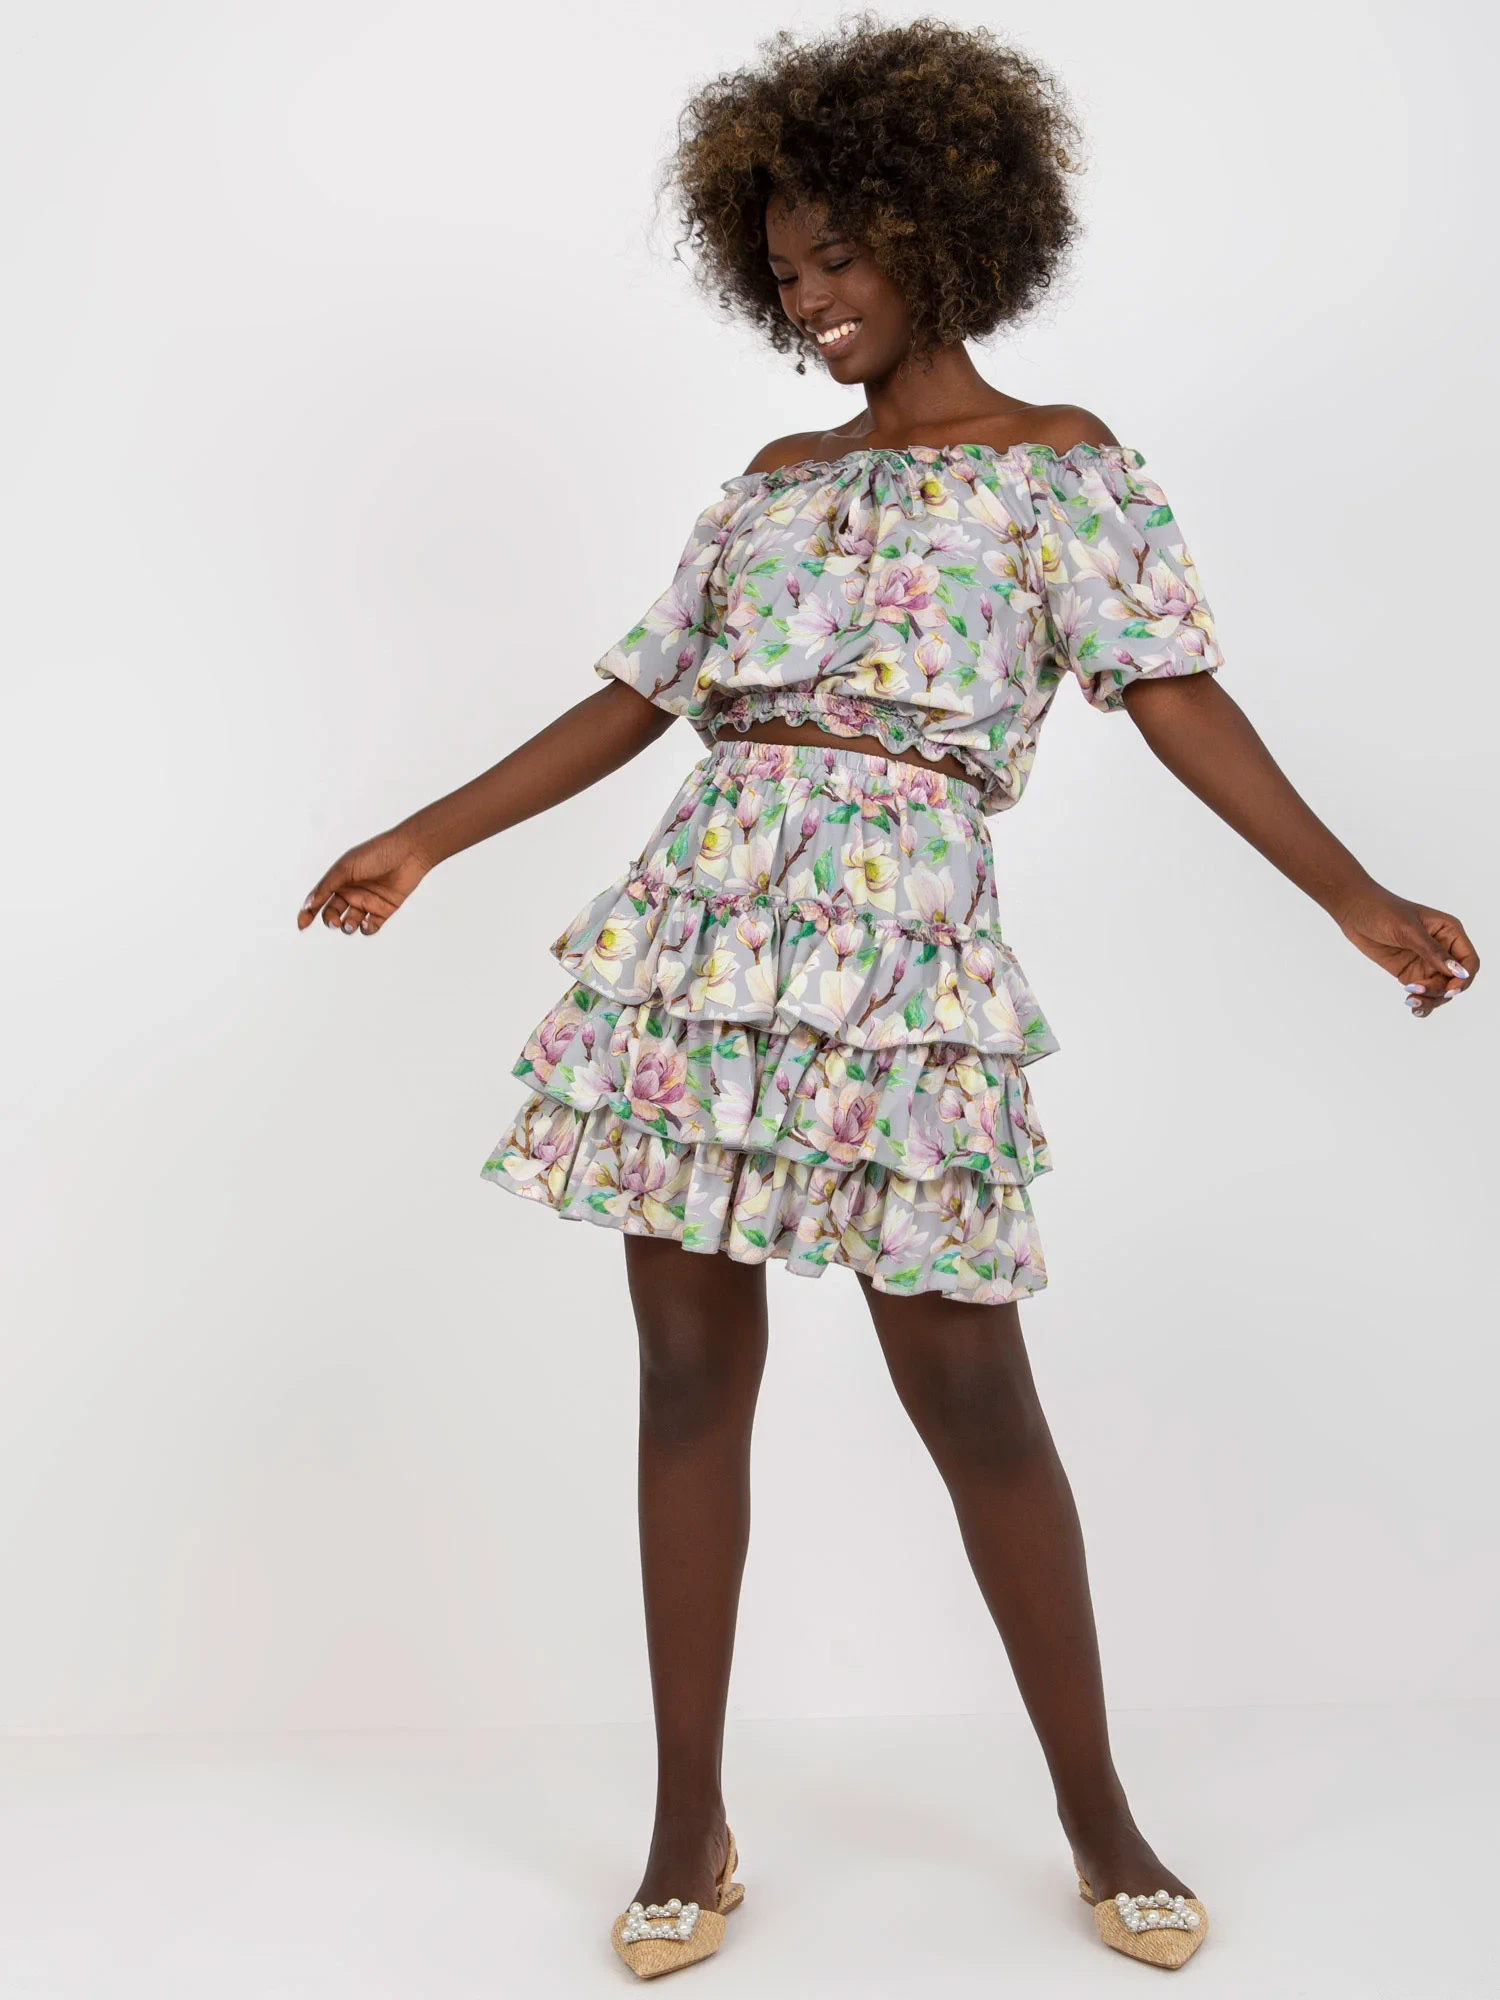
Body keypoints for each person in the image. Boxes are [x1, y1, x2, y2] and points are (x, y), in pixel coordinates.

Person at [296, 16, 1478, 1980]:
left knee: (973, 1387)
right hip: (701, 942)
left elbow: (1174, 691)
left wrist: (1347, 891)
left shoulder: (1059, 467)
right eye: (782, 270)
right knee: (687, 1376)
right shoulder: (770, 482)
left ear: (946, 231)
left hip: (900, 958)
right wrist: (426, 836)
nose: (809, 298)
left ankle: (1101, 1818)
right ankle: (686, 1827)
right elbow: (639, 698)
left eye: (839, 255)